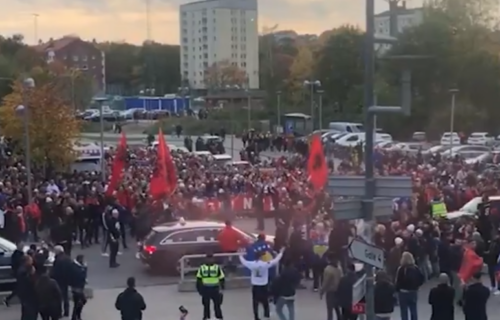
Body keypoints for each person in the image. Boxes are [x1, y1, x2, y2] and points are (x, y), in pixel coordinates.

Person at [239, 247, 285, 320]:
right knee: (265, 301)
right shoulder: (265, 264)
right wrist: (281, 253)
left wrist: (240, 255)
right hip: (263, 285)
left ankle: (256, 316)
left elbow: (243, 262)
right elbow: (275, 261)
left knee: (255, 302)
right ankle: (266, 315)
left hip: (255, 285)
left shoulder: (252, 264)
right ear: (261, 257)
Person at [395, 251, 424, 320]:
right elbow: (422, 278)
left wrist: (397, 289)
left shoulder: (401, 269)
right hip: (413, 292)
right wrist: (417, 286)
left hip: (403, 292)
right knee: (413, 309)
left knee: (404, 311)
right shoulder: (415, 268)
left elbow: (398, 281)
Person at [196, 253, 225, 320]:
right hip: (205, 288)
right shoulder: (202, 268)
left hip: (215, 288)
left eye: (211, 258)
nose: (210, 260)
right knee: (206, 305)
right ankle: (206, 317)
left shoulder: (217, 268)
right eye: (208, 259)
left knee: (217, 305)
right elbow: (199, 279)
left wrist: (222, 289)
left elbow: (222, 278)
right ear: (206, 259)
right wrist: (199, 290)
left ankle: (219, 317)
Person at [50, 245, 72, 317]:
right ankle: (66, 311)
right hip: (66, 280)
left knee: (58, 297)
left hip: (58, 280)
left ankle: (59, 312)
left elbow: (55, 271)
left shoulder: (58, 260)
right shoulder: (68, 258)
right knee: (65, 296)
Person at [319, 255, 343, 320]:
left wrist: (322, 291)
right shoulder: (339, 268)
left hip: (330, 292)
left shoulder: (328, 269)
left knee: (330, 310)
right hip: (338, 291)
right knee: (337, 309)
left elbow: (325, 282)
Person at [3, 242, 25, 306]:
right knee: (20, 287)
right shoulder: (17, 254)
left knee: (20, 287)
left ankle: (8, 299)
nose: (22, 247)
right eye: (21, 246)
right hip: (19, 273)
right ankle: (8, 299)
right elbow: (16, 264)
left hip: (19, 272)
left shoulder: (17, 254)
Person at [69, 254, 88, 320]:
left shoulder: (77, 266)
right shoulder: (75, 267)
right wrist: (85, 269)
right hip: (76, 288)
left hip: (78, 287)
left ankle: (76, 316)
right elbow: (81, 276)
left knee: (78, 302)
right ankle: (75, 316)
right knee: (80, 301)